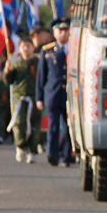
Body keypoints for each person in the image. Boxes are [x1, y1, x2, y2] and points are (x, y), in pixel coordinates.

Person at [36, 18, 72, 167]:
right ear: (54, 32)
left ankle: (66, 156)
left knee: (68, 127)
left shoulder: (75, 49)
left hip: (70, 95)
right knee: (53, 126)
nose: (63, 33)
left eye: (66, 30)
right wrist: (39, 98)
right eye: (60, 30)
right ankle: (52, 154)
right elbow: (41, 76)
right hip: (52, 94)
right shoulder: (47, 50)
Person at [4, 37, 40, 163]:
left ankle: (32, 150)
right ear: (19, 49)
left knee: (34, 124)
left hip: (34, 97)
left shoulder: (38, 63)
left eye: (28, 46)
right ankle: (20, 146)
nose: (26, 48)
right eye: (23, 46)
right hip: (20, 98)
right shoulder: (17, 64)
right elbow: (8, 81)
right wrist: (7, 71)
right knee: (19, 124)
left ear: (33, 47)